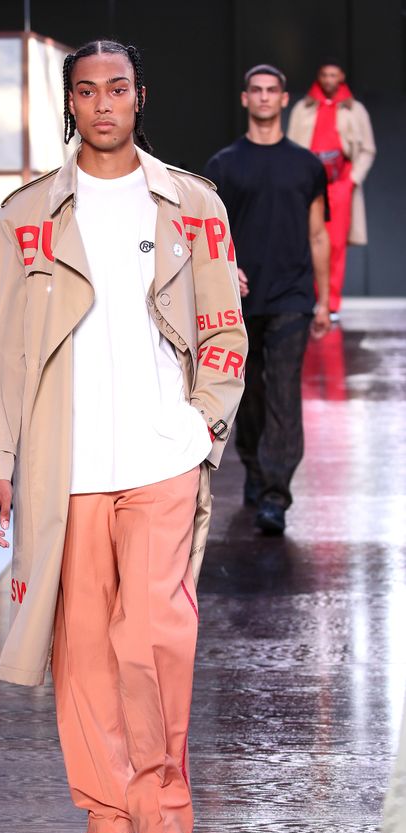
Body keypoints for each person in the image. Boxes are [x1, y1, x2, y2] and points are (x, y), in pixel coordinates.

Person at [0, 39, 247, 833]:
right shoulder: (26, 214)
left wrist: (204, 422)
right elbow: (1, 350)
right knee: (82, 649)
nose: (101, 104)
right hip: (69, 464)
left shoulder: (192, 202)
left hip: (164, 454)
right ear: (70, 102)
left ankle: (163, 820)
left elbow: (223, 322)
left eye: (116, 88)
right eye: (85, 90)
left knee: (153, 641)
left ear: (139, 97)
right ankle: (105, 819)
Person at [204, 63, 331, 535]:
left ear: (283, 99)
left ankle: (276, 495)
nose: (262, 97)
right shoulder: (222, 166)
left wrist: (322, 301)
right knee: (249, 395)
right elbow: (209, 236)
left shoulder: (306, 165)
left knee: (282, 392)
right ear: (245, 99)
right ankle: (257, 473)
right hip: (238, 298)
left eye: (271, 91)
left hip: (292, 296)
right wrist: (222, 271)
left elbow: (318, 235)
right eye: (254, 90)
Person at [287, 58, 376, 321]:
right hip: (308, 181)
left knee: (335, 243)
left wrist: (353, 180)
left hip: (339, 182)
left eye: (333, 75)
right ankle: (308, 297)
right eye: (324, 74)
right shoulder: (303, 108)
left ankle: (332, 303)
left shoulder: (354, 109)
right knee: (303, 238)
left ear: (341, 77)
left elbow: (367, 149)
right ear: (319, 75)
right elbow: (291, 143)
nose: (329, 80)